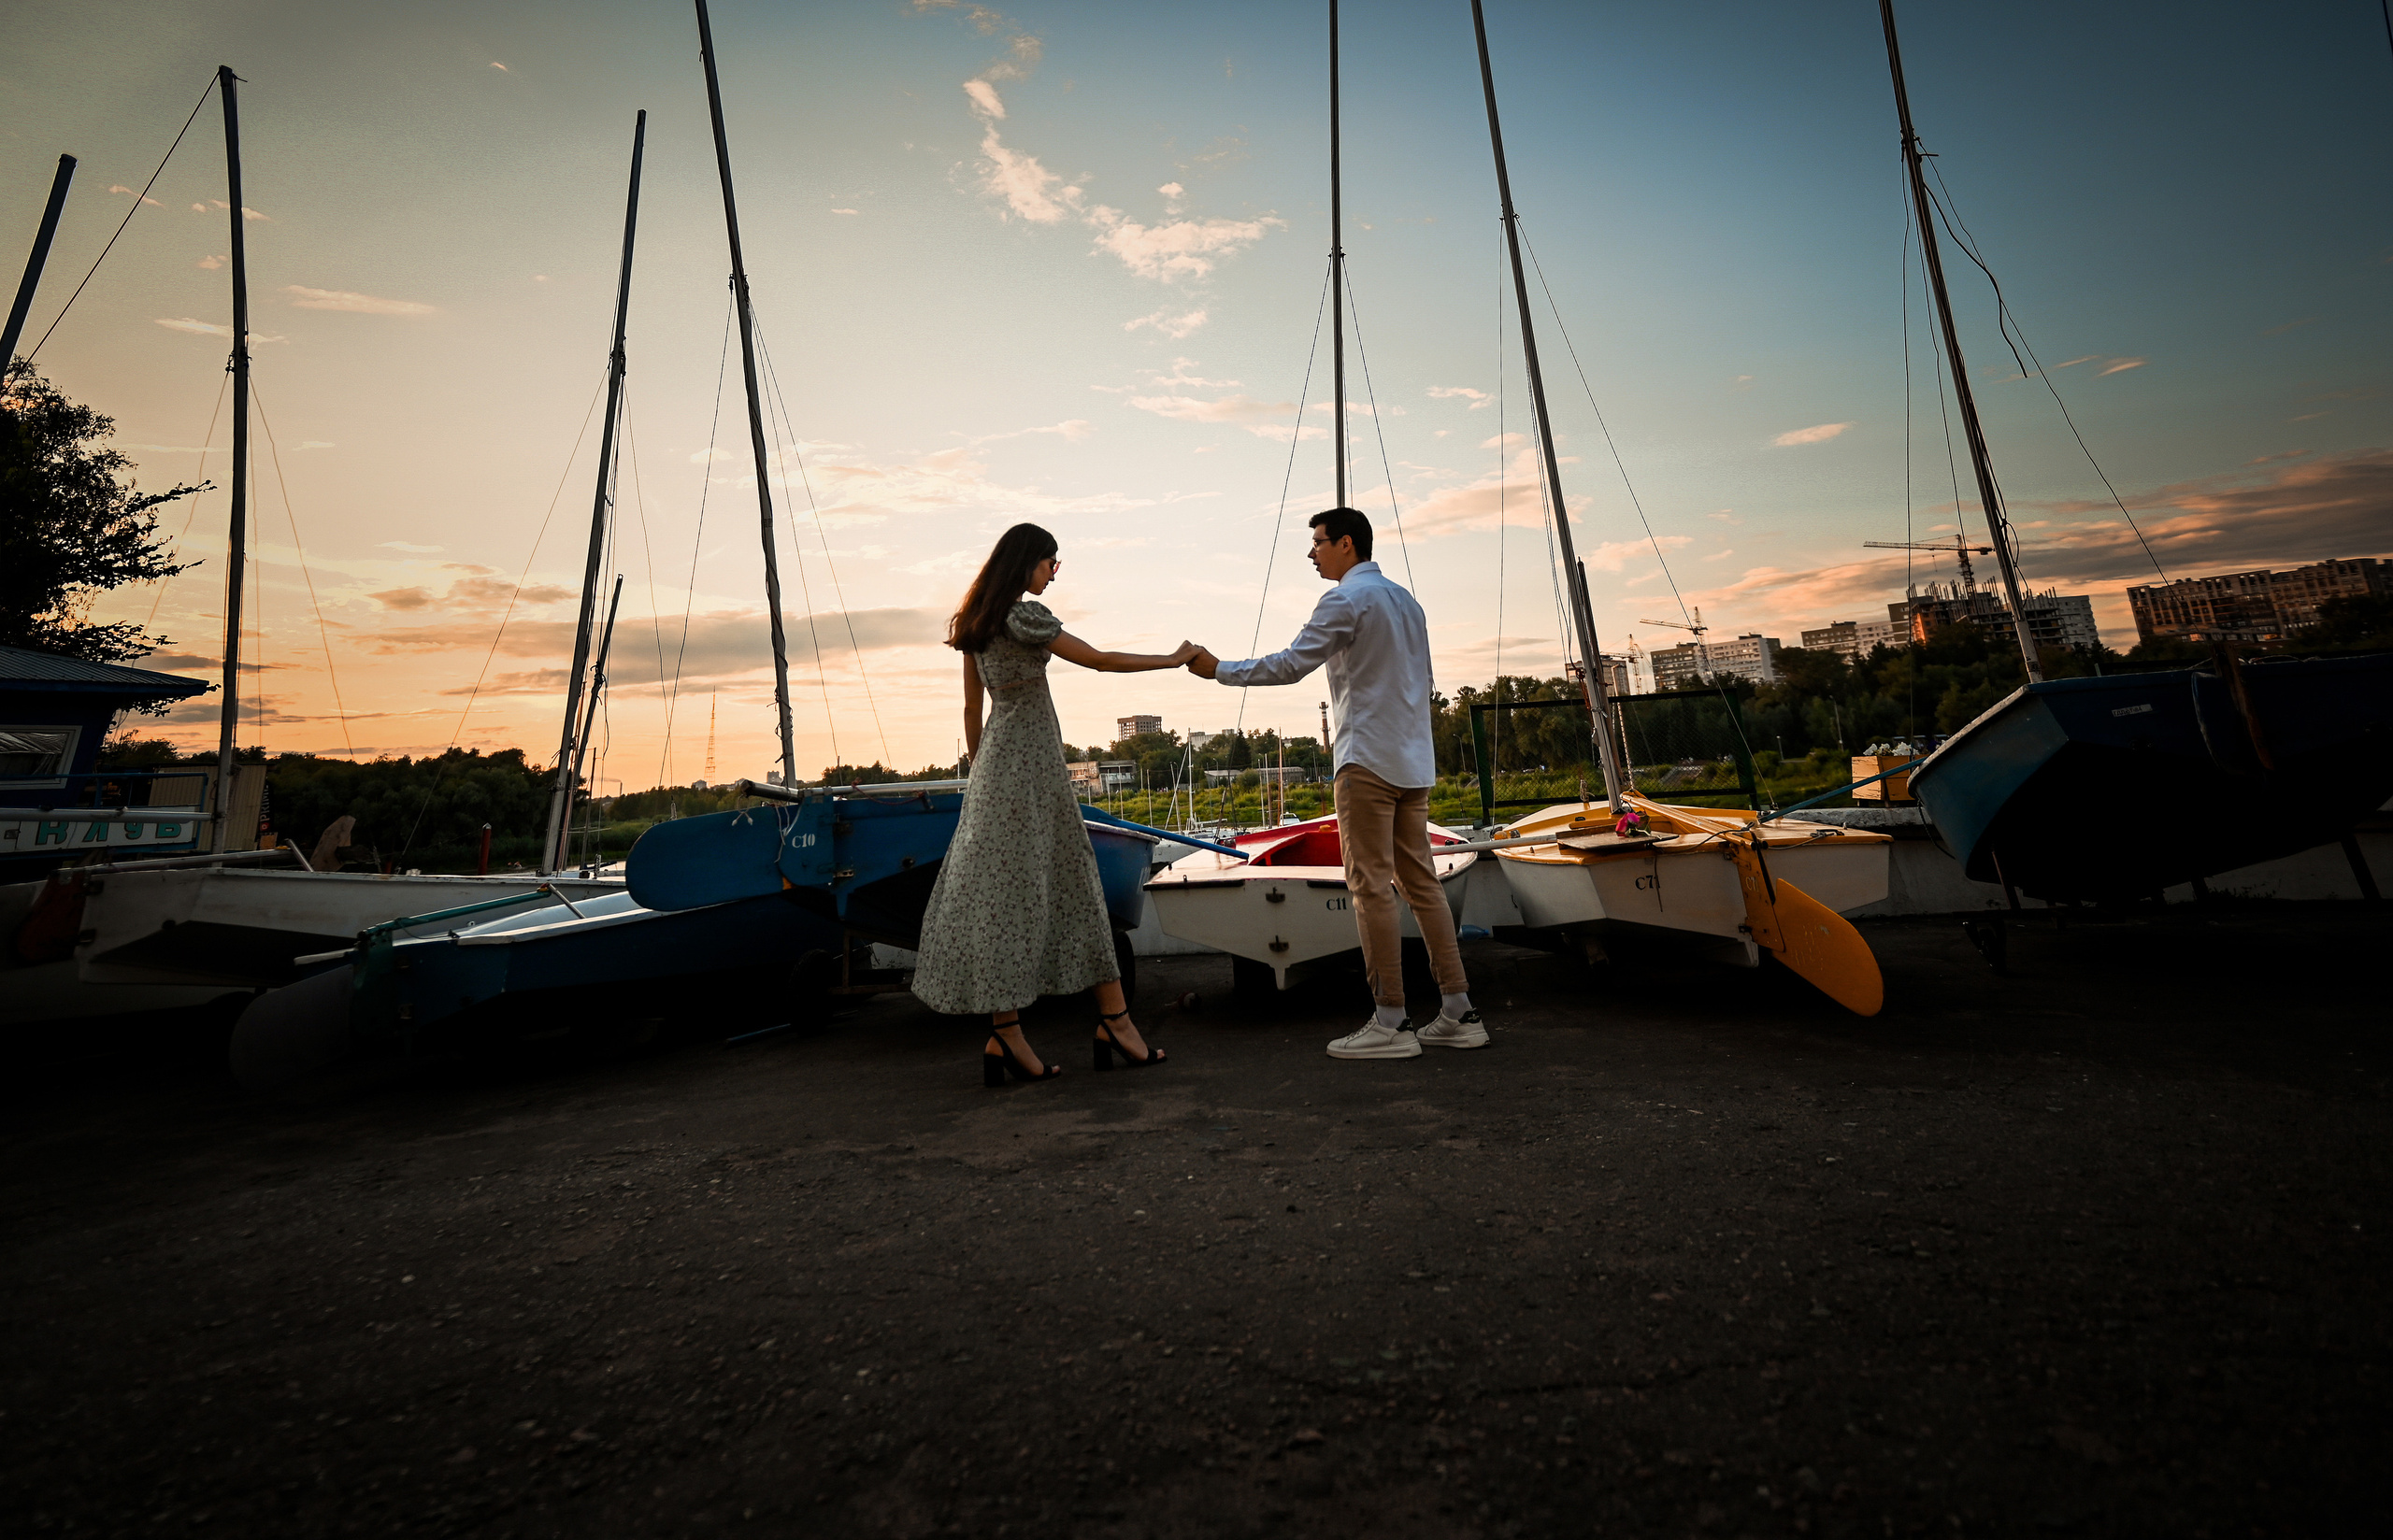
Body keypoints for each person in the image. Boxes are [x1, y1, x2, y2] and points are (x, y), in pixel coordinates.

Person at [1186, 507, 1485, 1060]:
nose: (1312, 553)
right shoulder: (1407, 603)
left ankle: (1391, 1022)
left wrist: (1217, 668)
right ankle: (1458, 1012)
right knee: (1421, 885)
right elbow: (1423, 682)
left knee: (1370, 887)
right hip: (1413, 762)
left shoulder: (1345, 600)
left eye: (1318, 543)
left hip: (1366, 761)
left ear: (1346, 544)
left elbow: (1291, 664)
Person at [914, 522, 1196, 1085]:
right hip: (1034, 772)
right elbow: (1099, 660)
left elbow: (972, 713)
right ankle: (1114, 1022)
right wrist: (1171, 659)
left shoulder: (974, 623)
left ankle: (1008, 1034)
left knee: (1002, 900)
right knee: (1074, 882)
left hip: (994, 771)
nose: (1053, 572)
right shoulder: (1025, 618)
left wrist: (983, 770)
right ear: (1026, 563)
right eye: (1051, 563)